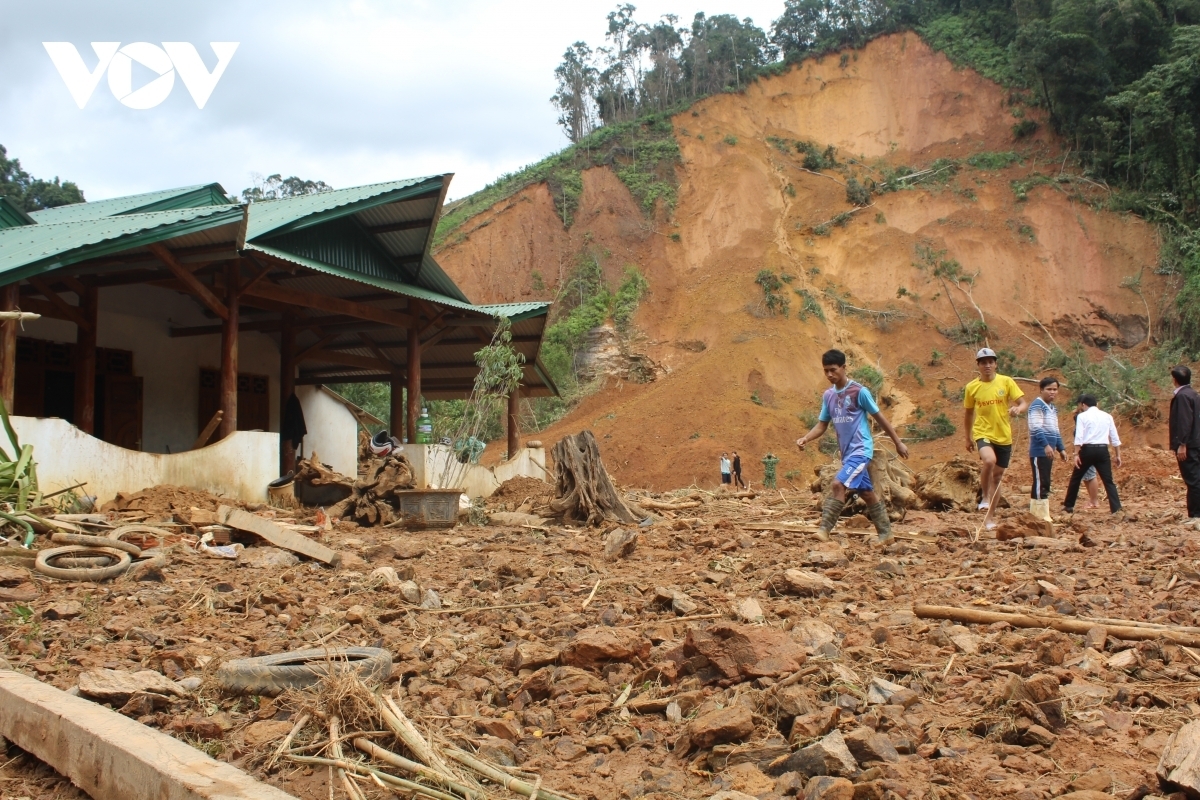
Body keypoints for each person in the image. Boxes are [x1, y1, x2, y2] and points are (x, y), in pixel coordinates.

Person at [796, 349, 909, 543]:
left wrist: (898, 442)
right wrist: (806, 438)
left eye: (833, 369)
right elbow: (822, 424)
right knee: (866, 492)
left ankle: (824, 530)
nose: (830, 374)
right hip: (847, 454)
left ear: (844, 367)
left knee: (838, 484)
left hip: (861, 450)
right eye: (826, 371)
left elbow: (880, 418)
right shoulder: (828, 396)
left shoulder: (859, 391)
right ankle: (886, 534)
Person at [963, 347, 1028, 530]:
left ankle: (990, 517)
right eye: (983, 362)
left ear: (996, 363)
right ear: (978, 365)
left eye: (991, 362)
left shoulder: (1006, 382)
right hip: (982, 432)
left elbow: (1023, 402)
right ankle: (984, 496)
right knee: (989, 461)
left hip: (1003, 434)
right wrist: (967, 438)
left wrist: (1018, 409)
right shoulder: (971, 387)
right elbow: (968, 414)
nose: (987, 365)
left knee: (997, 477)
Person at [1063, 394, 1123, 517]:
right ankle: (1116, 508)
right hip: (1102, 450)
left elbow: (1079, 436)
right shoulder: (1107, 416)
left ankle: (1069, 506)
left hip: (1087, 450)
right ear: (1097, 404)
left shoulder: (1082, 416)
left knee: (1076, 478)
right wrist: (1118, 455)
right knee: (1108, 480)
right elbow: (1114, 437)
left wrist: (1076, 454)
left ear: (1084, 405)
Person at [1027, 376, 1067, 521]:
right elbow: (1036, 427)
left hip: (1048, 450)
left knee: (1045, 481)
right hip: (1039, 450)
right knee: (1040, 480)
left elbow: (1055, 430)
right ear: (1041, 390)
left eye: (1055, 389)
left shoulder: (1052, 408)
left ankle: (1041, 512)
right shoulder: (1037, 405)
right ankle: (1038, 515)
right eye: (1049, 389)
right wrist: (1045, 445)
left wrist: (1060, 448)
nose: (1052, 392)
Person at [1169, 365, 1200, 518]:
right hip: (1196, 442)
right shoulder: (1194, 394)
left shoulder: (1182, 396)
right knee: (1196, 478)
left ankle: (1195, 515)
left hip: (1189, 445)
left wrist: (1182, 444)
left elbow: (1184, 421)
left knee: (1193, 480)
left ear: (1174, 380)